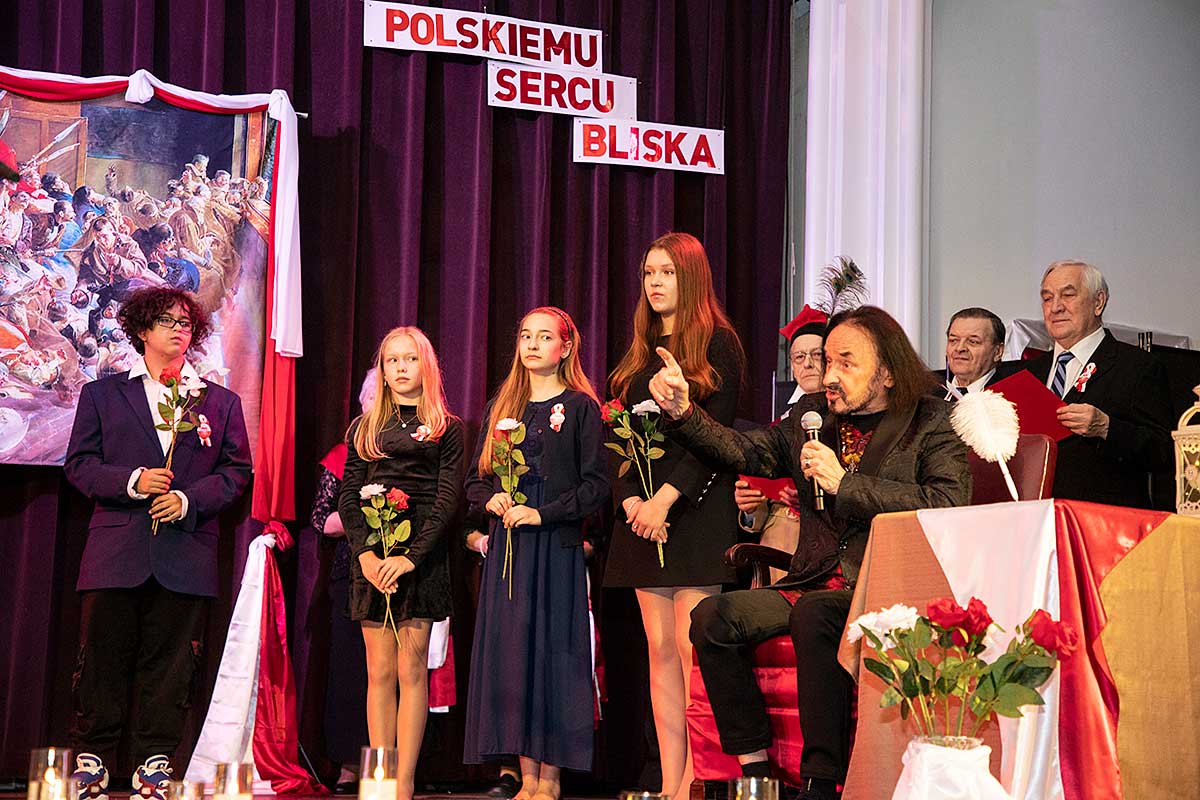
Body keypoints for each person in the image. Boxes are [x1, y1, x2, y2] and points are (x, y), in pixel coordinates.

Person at [649, 305, 971, 800]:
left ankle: (822, 780)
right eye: (828, 361)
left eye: (847, 362)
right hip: (814, 578)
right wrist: (683, 413)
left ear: (887, 372)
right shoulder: (810, 416)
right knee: (712, 617)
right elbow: (745, 451)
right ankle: (756, 769)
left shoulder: (931, 421)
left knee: (816, 614)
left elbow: (948, 503)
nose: (831, 375)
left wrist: (846, 484)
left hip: (885, 586)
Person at [63, 286, 252, 785]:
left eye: (185, 323)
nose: (178, 329)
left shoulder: (220, 402)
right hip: (115, 552)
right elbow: (80, 465)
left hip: (185, 555)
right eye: (166, 321)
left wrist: (188, 500)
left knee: (171, 669)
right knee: (100, 663)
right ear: (142, 329)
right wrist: (134, 481)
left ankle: (154, 768)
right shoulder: (103, 395)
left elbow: (236, 472)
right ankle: (92, 764)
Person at [602, 232, 746, 798]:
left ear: (691, 278)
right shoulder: (638, 353)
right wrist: (632, 503)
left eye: (666, 272)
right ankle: (668, 778)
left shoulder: (719, 344)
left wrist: (666, 500)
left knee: (690, 651)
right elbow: (617, 437)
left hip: (695, 513)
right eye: (648, 272)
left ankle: (695, 780)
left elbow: (717, 439)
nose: (654, 282)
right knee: (659, 652)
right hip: (642, 520)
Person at [463, 306, 609, 800]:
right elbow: (476, 481)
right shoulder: (502, 406)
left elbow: (595, 487)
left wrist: (543, 514)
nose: (532, 344)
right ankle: (527, 778)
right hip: (511, 550)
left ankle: (551, 780)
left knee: (553, 658)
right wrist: (493, 499)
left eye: (544, 337)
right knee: (515, 659)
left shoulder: (581, 407)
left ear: (565, 348)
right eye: (526, 335)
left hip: (555, 549)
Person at [337, 326, 464, 800]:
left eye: (410, 359)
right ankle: (380, 780)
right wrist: (368, 556)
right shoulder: (365, 428)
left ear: (425, 366)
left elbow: (447, 500)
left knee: (412, 671)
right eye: (392, 360)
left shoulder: (447, 428)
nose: (401, 367)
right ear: (383, 370)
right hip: (373, 558)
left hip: (420, 561)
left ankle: (404, 781)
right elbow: (349, 497)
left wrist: (410, 558)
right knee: (379, 673)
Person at [1026, 260, 1173, 507]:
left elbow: (1164, 451)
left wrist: (1107, 428)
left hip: (1103, 519)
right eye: (1047, 298)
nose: (1055, 307)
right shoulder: (1028, 372)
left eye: (1068, 295)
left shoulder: (1137, 366)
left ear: (1098, 302)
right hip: (1036, 518)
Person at [309, 368, 378, 791]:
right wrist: (368, 515)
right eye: (374, 398)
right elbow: (321, 519)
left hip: (403, 570)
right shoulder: (343, 455)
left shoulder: (416, 453)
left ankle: (391, 763)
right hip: (351, 575)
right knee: (352, 671)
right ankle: (350, 763)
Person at [734, 304, 826, 583]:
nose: (807, 364)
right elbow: (762, 514)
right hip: (777, 543)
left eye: (817, 355)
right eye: (799, 357)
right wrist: (751, 508)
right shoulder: (779, 426)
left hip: (825, 545)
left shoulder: (850, 421)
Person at [937, 307, 1023, 400]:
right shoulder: (929, 393)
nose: (959, 348)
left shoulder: (1016, 398)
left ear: (998, 352)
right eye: (953, 340)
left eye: (973, 341)